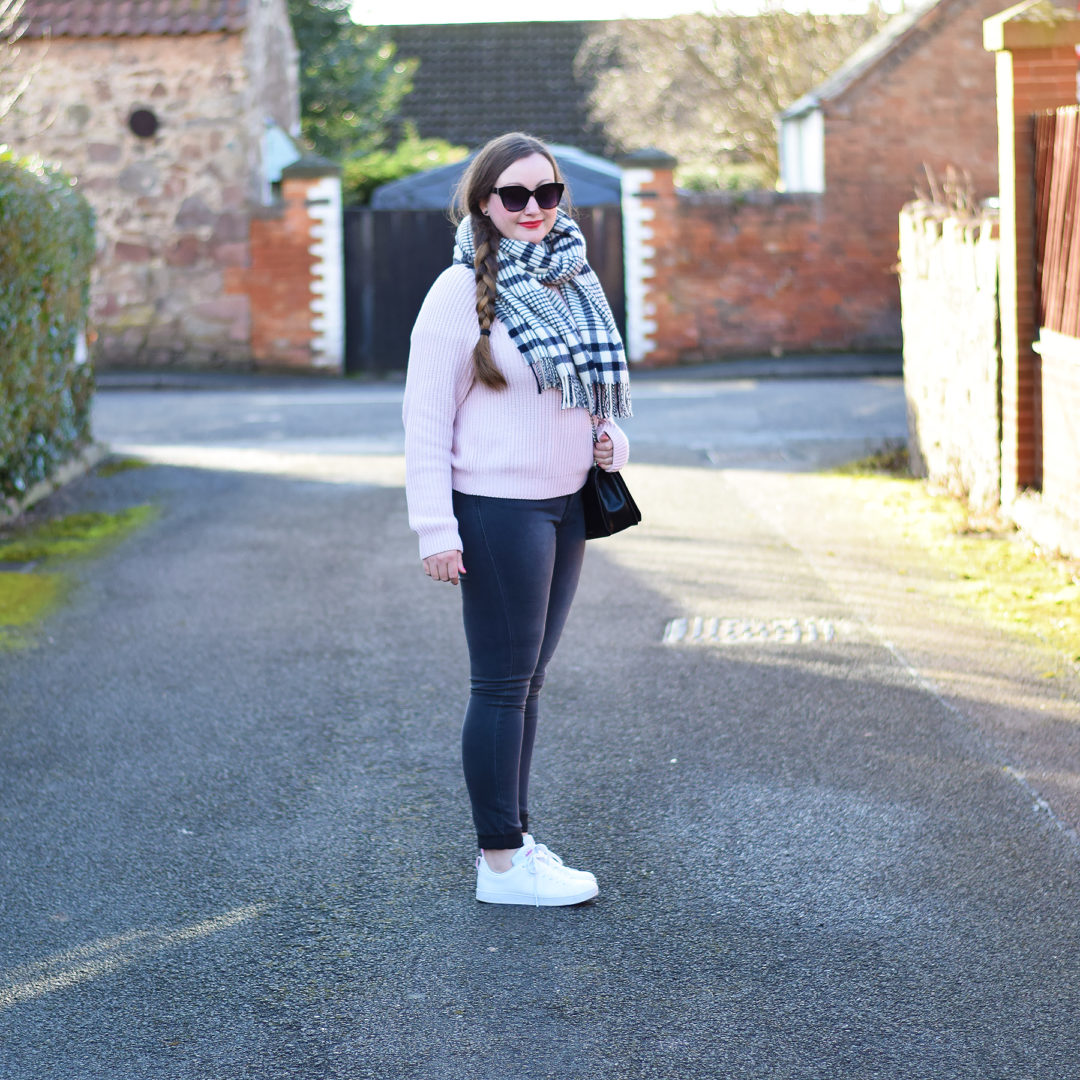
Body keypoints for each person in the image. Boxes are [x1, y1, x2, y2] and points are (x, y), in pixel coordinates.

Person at [402, 132, 632, 907]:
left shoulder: (574, 281)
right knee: (500, 686)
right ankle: (500, 864)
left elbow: (584, 395)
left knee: (528, 684)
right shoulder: (456, 291)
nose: (534, 209)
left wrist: (612, 440)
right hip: (497, 511)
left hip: (565, 505)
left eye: (548, 193)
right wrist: (437, 528)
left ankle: (516, 843)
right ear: (483, 204)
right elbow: (424, 421)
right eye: (515, 196)